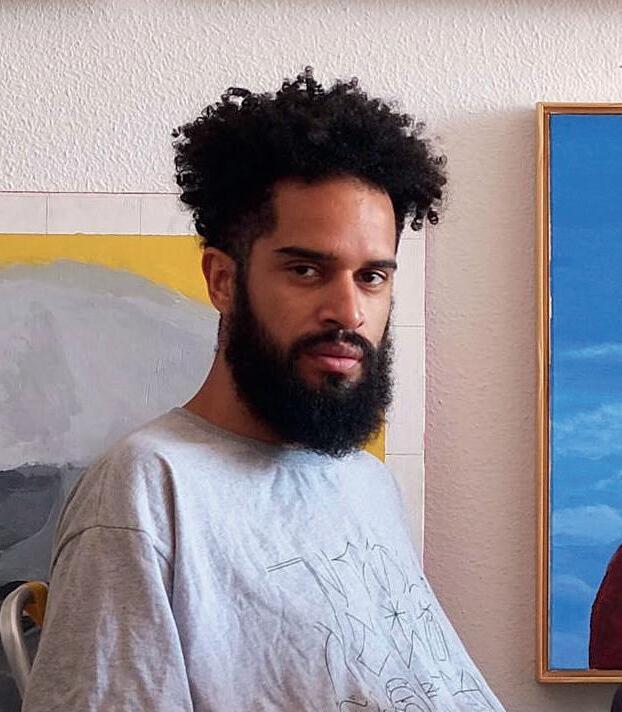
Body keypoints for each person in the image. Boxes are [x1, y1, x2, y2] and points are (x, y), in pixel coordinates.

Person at [23, 67, 505, 711]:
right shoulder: (149, 490)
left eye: (372, 277)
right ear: (223, 280)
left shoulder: (363, 480)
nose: (349, 311)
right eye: (306, 270)